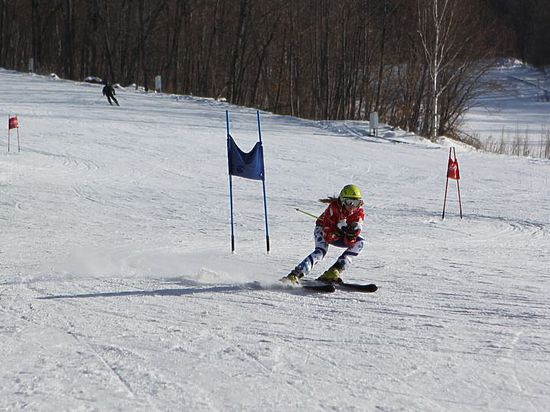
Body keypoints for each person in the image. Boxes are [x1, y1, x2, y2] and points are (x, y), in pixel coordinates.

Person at [286, 184, 366, 283]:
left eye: (356, 203)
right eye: (349, 202)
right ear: (342, 200)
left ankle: (334, 270)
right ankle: (295, 275)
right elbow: (328, 235)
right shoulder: (334, 208)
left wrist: (350, 236)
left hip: (340, 234)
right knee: (320, 251)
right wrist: (341, 230)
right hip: (323, 229)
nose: (352, 206)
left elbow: (356, 231)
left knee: (360, 242)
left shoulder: (359, 212)